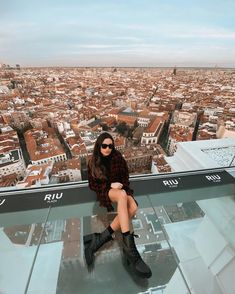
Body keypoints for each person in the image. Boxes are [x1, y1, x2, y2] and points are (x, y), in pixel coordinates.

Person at [84, 132, 152, 279]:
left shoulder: (117, 157)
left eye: (110, 146)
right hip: (105, 191)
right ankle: (130, 248)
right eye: (104, 146)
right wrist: (110, 185)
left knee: (133, 208)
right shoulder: (93, 162)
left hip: (121, 189)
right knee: (121, 197)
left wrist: (123, 187)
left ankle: (100, 238)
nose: (108, 148)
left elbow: (125, 177)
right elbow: (93, 185)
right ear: (99, 146)